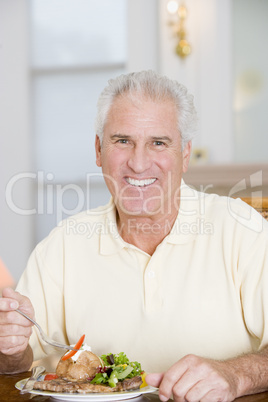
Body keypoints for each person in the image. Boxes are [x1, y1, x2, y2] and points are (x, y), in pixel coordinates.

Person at [0, 70, 268, 401]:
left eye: (158, 142)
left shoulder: (243, 230)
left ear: (184, 154)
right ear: (99, 150)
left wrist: (236, 374)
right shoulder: (62, 245)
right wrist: (10, 349)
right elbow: (17, 360)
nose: (139, 164)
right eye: (122, 141)